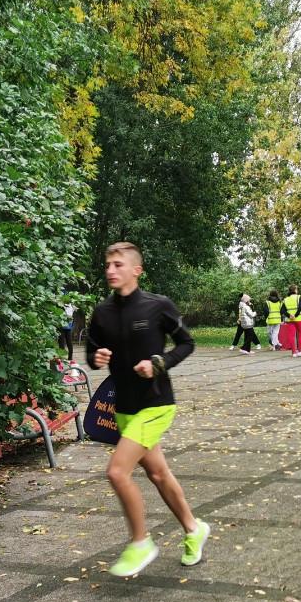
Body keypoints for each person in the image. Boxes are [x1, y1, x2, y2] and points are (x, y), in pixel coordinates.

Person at [86, 242, 210, 577]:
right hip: (124, 408)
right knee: (157, 474)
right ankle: (193, 528)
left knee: (117, 472)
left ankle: (140, 542)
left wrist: (159, 362)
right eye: (108, 264)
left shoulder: (159, 306)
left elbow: (186, 343)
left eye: (118, 264)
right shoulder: (102, 312)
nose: (111, 270)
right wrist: (95, 359)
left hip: (156, 404)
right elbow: (94, 351)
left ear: (136, 270)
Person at [282, 284, 301, 356]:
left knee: (291, 335)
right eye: (297, 289)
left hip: (290, 320)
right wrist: (295, 315)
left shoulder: (285, 299)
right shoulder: (299, 297)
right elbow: (300, 307)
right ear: (295, 290)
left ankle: (294, 352)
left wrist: (289, 315)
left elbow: (282, 310)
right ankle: (300, 350)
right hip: (299, 318)